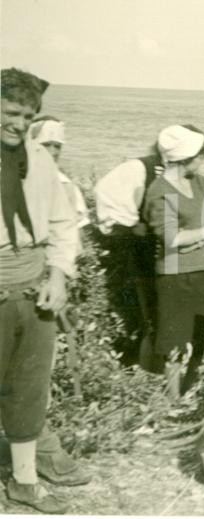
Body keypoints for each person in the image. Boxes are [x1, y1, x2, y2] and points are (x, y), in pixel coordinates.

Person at [0, 68, 90, 513]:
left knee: (29, 390)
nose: (19, 123)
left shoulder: (40, 159)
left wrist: (57, 276)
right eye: (11, 112)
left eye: (28, 115)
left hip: (34, 294)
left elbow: (61, 223)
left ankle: (24, 481)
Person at [143, 124, 204, 397]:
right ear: (186, 156)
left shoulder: (200, 183)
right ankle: (171, 401)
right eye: (201, 156)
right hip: (175, 276)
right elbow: (172, 239)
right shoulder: (159, 191)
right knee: (174, 343)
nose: (203, 161)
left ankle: (189, 394)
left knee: (202, 336)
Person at [94, 134, 165, 366]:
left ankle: (149, 366)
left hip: (161, 252)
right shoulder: (139, 168)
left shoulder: (185, 175)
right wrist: (130, 226)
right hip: (134, 249)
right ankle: (134, 363)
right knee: (138, 309)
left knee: (157, 313)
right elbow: (107, 195)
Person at [29, 116, 90, 257]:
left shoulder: (66, 186)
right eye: (45, 144)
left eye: (57, 146)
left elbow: (77, 230)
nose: (53, 152)